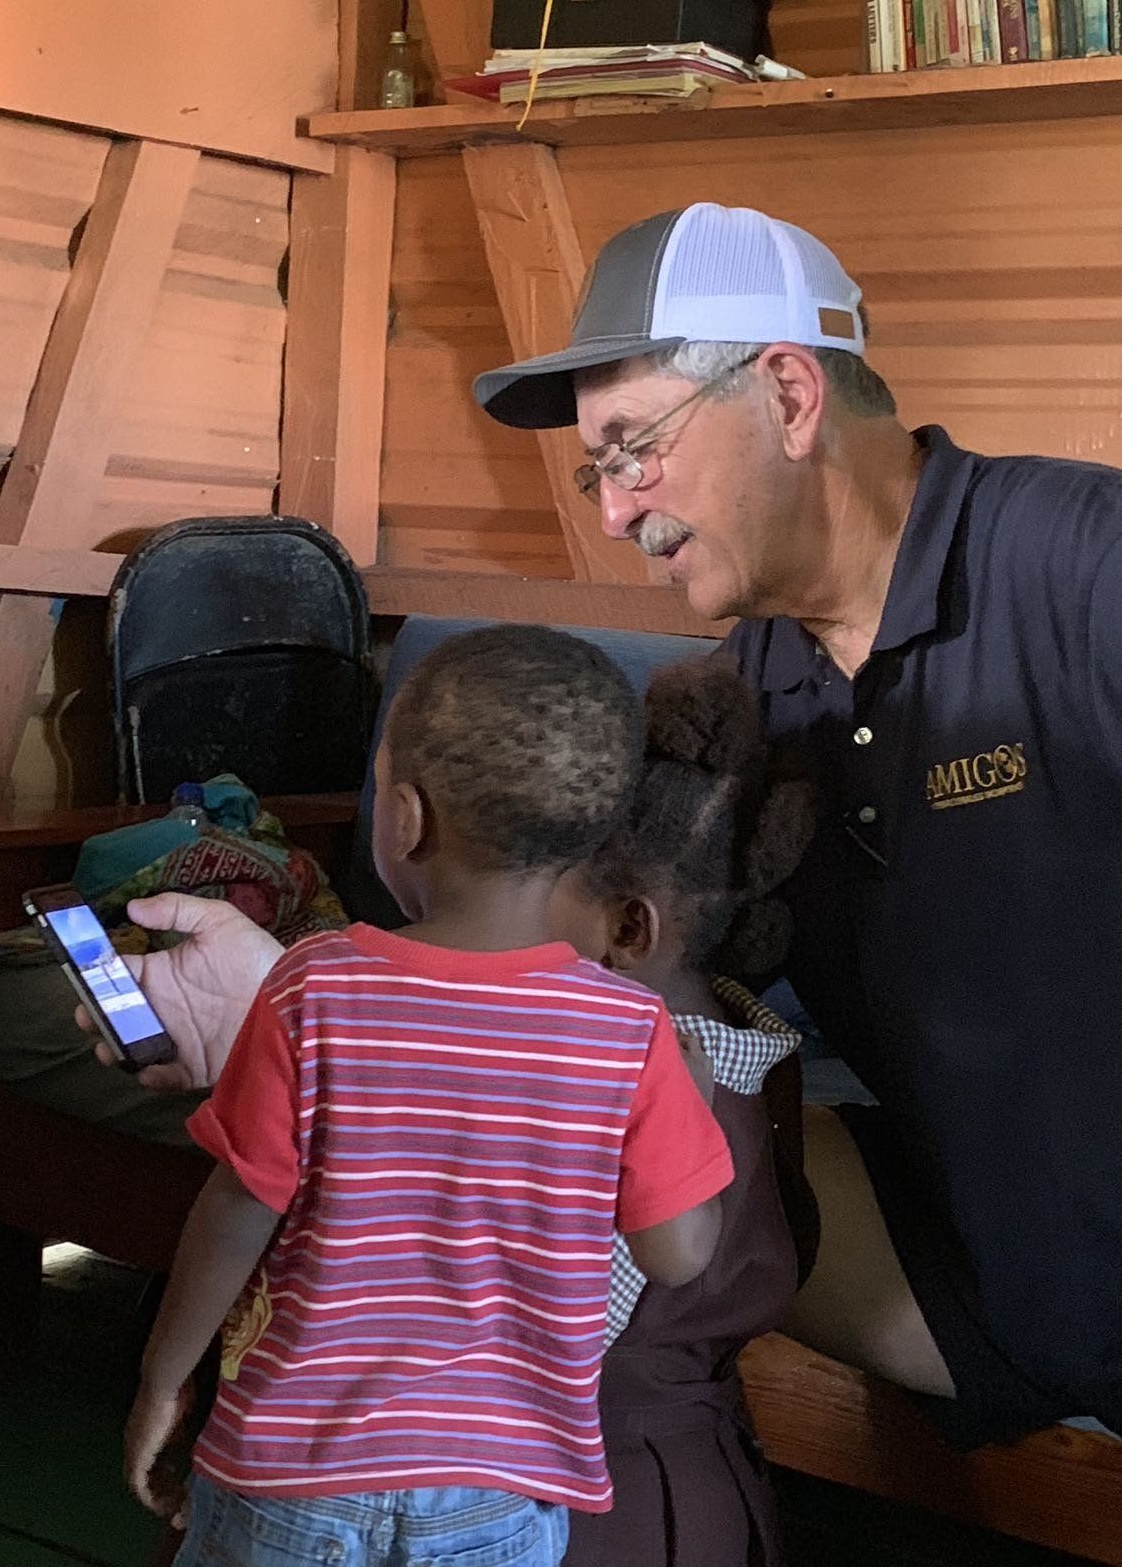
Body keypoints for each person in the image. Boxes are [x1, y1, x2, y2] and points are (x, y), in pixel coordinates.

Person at [472, 202, 1122, 1447]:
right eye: (597, 467)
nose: (614, 512)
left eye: (632, 447)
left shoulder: (1083, 565)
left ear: (787, 393)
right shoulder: (746, 698)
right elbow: (603, 987)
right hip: (979, 1282)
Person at [124, 624, 734, 1567]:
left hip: (294, 1473)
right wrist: (691, 1100)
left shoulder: (314, 986)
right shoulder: (630, 1032)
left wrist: (165, 1378)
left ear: (404, 818)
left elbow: (239, 1208)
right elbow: (679, 1254)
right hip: (497, 1494)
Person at [548, 652, 816, 1567]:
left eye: (534, 895)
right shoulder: (759, 1064)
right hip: (713, 1501)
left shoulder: (616, 1092)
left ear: (629, 929)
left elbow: (551, 1343)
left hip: (587, 1513)